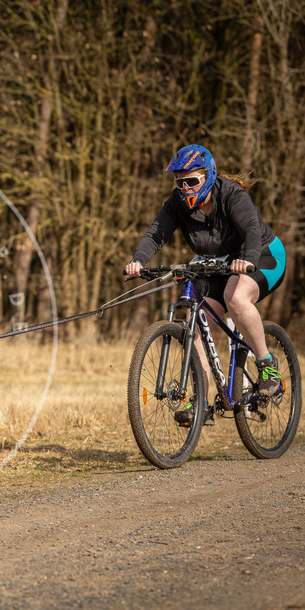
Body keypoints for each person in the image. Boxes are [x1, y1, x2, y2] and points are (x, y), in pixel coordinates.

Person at [124, 144, 286, 426]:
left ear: (209, 176)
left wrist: (247, 260)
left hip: (261, 254)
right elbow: (156, 234)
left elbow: (251, 228)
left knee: (236, 297)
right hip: (217, 263)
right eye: (180, 183)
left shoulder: (231, 194)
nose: (185, 188)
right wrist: (138, 260)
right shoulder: (177, 203)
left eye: (191, 181)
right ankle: (200, 401)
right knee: (195, 321)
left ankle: (267, 364)